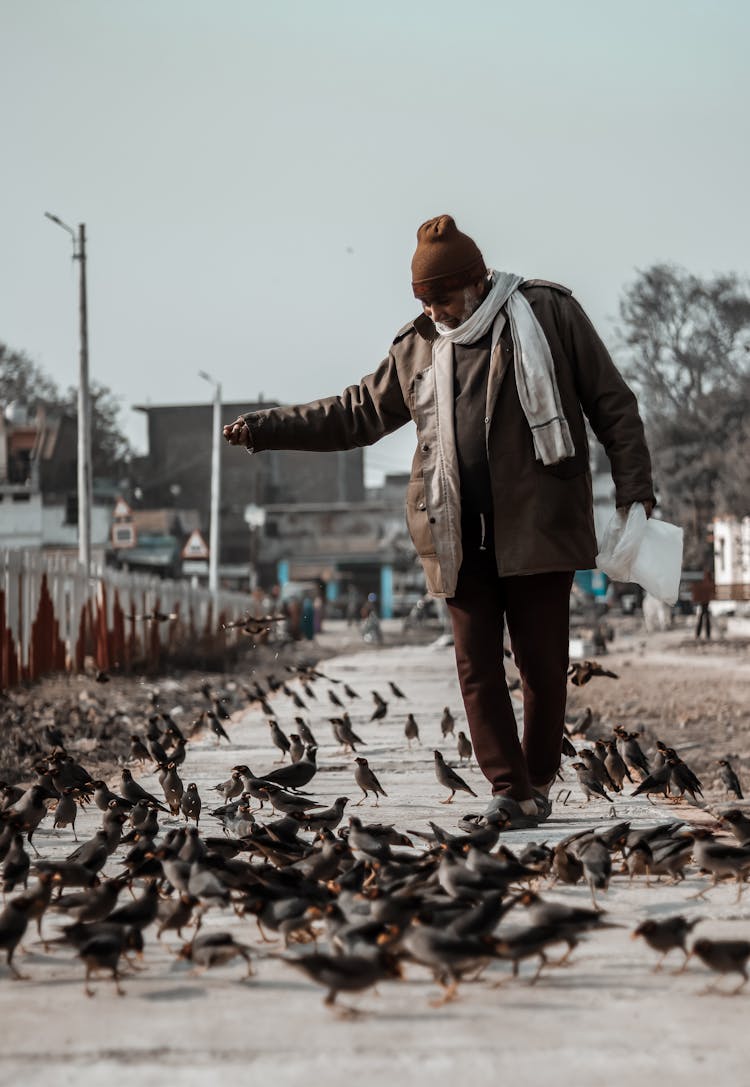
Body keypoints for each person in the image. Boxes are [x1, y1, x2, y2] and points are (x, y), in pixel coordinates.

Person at [224, 214, 655, 827]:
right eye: (427, 305)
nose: (439, 315)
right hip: (454, 536)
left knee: (541, 666)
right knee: (476, 668)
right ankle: (509, 788)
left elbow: (612, 403)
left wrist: (636, 490)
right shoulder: (418, 346)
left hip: (539, 528)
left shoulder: (549, 315)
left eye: (445, 300)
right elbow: (356, 415)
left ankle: (534, 779)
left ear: (477, 282)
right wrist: (268, 428)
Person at [691, 569, 714, 641]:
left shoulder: (701, 585)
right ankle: (707, 634)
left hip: (703, 602)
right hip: (706, 602)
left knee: (703, 615)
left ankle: (698, 634)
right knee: (705, 614)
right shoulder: (711, 585)